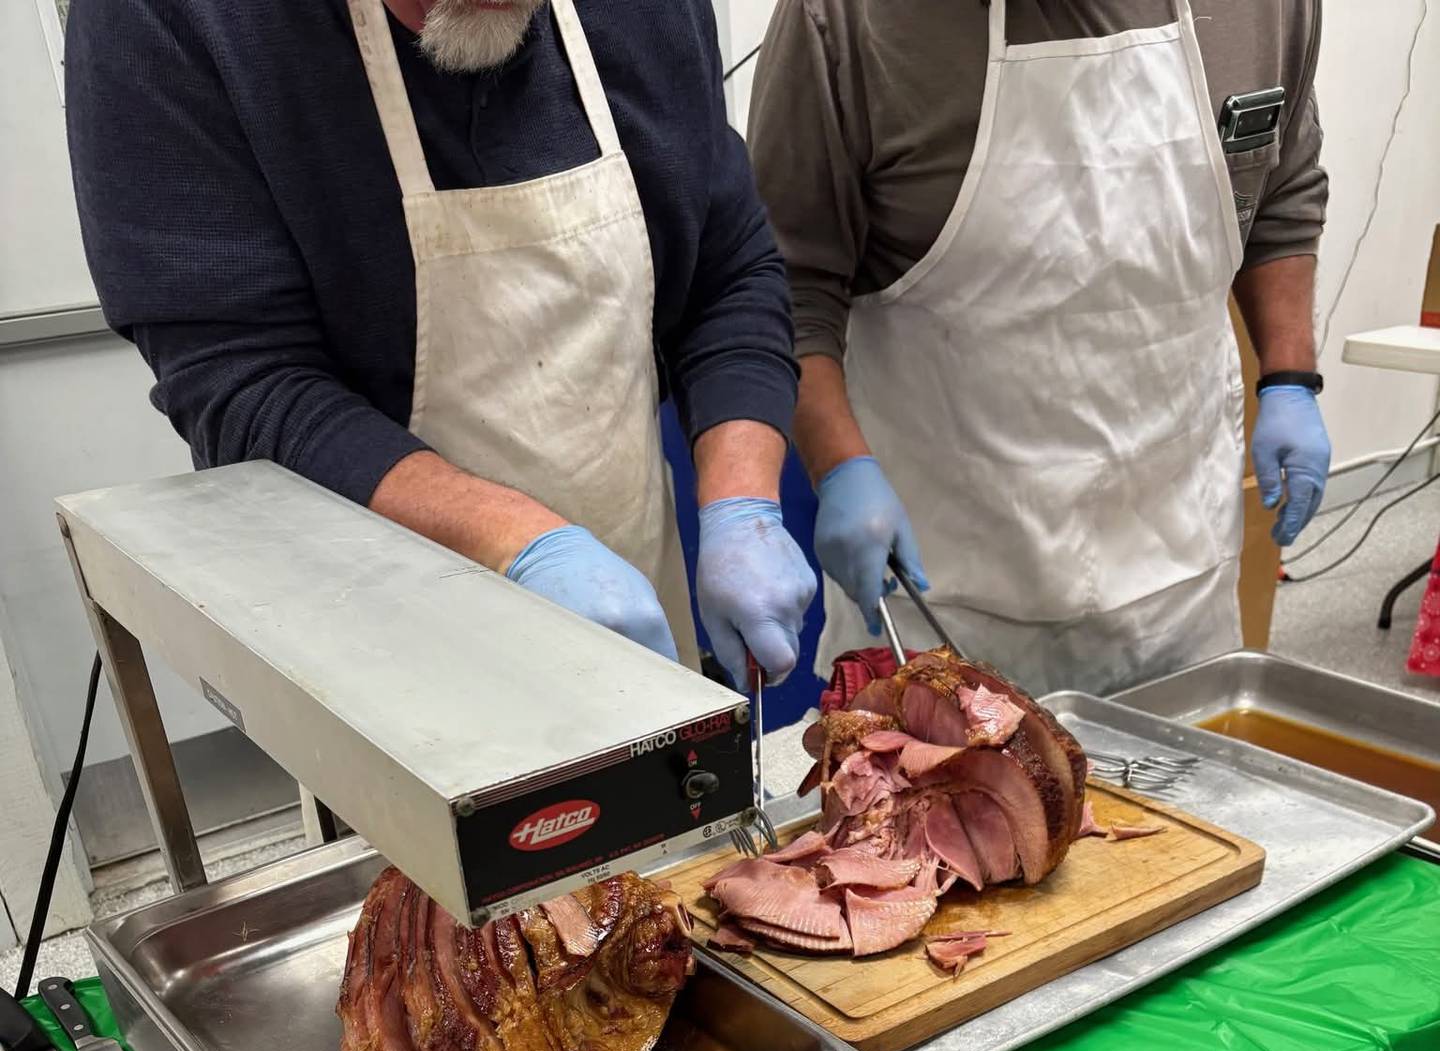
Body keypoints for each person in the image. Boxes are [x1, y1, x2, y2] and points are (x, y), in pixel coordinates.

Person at [66, 0, 816, 689]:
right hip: (386, 656)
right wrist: (526, 545)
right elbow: (242, 379)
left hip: (636, 608)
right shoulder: (172, 21)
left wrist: (742, 503)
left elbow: (728, 264)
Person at [749, 0, 1331, 693]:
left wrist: (1290, 376)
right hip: (944, 592)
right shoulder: (848, 19)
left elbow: (1282, 193)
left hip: (1176, 577)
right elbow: (791, 282)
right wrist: (839, 466)